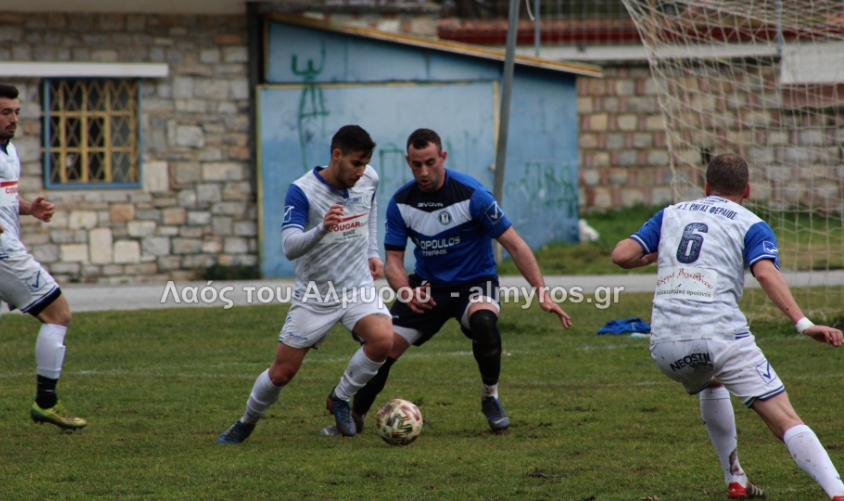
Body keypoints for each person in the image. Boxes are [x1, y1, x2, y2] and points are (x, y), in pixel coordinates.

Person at [612, 153, 844, 500]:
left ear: (706, 186)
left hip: (665, 345)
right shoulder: (750, 223)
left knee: (710, 379)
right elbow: (765, 272)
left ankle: (735, 478)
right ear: (747, 190)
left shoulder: (672, 213)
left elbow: (621, 255)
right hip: (721, 336)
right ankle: (838, 492)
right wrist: (803, 323)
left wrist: (652, 254)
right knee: (784, 419)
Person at [322, 128, 571, 436]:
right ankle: (354, 418)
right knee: (383, 347)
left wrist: (542, 293)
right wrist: (406, 291)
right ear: (408, 161)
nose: (423, 171)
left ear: (443, 157)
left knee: (483, 321)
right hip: (426, 288)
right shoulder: (401, 203)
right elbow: (394, 263)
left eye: (430, 162)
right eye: (416, 164)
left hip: (475, 283)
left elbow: (516, 245)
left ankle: (490, 398)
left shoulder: (474, 195)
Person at [217, 125, 393, 443]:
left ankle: (339, 397)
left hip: (357, 286)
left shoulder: (369, 178)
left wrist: (372, 251)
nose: (361, 171)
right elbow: (290, 247)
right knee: (282, 373)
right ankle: (246, 421)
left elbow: (370, 208)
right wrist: (322, 229)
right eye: (356, 163)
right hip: (316, 295)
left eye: (365, 163)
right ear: (336, 155)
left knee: (383, 340)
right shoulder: (302, 191)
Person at [0, 83, 87, 430]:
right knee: (58, 314)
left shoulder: (8, 151)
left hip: (2, 249)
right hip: (1, 253)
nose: (14, 118)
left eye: (16, 111)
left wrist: (30, 208)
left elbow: (3, 198)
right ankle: (45, 401)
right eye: (6, 112)